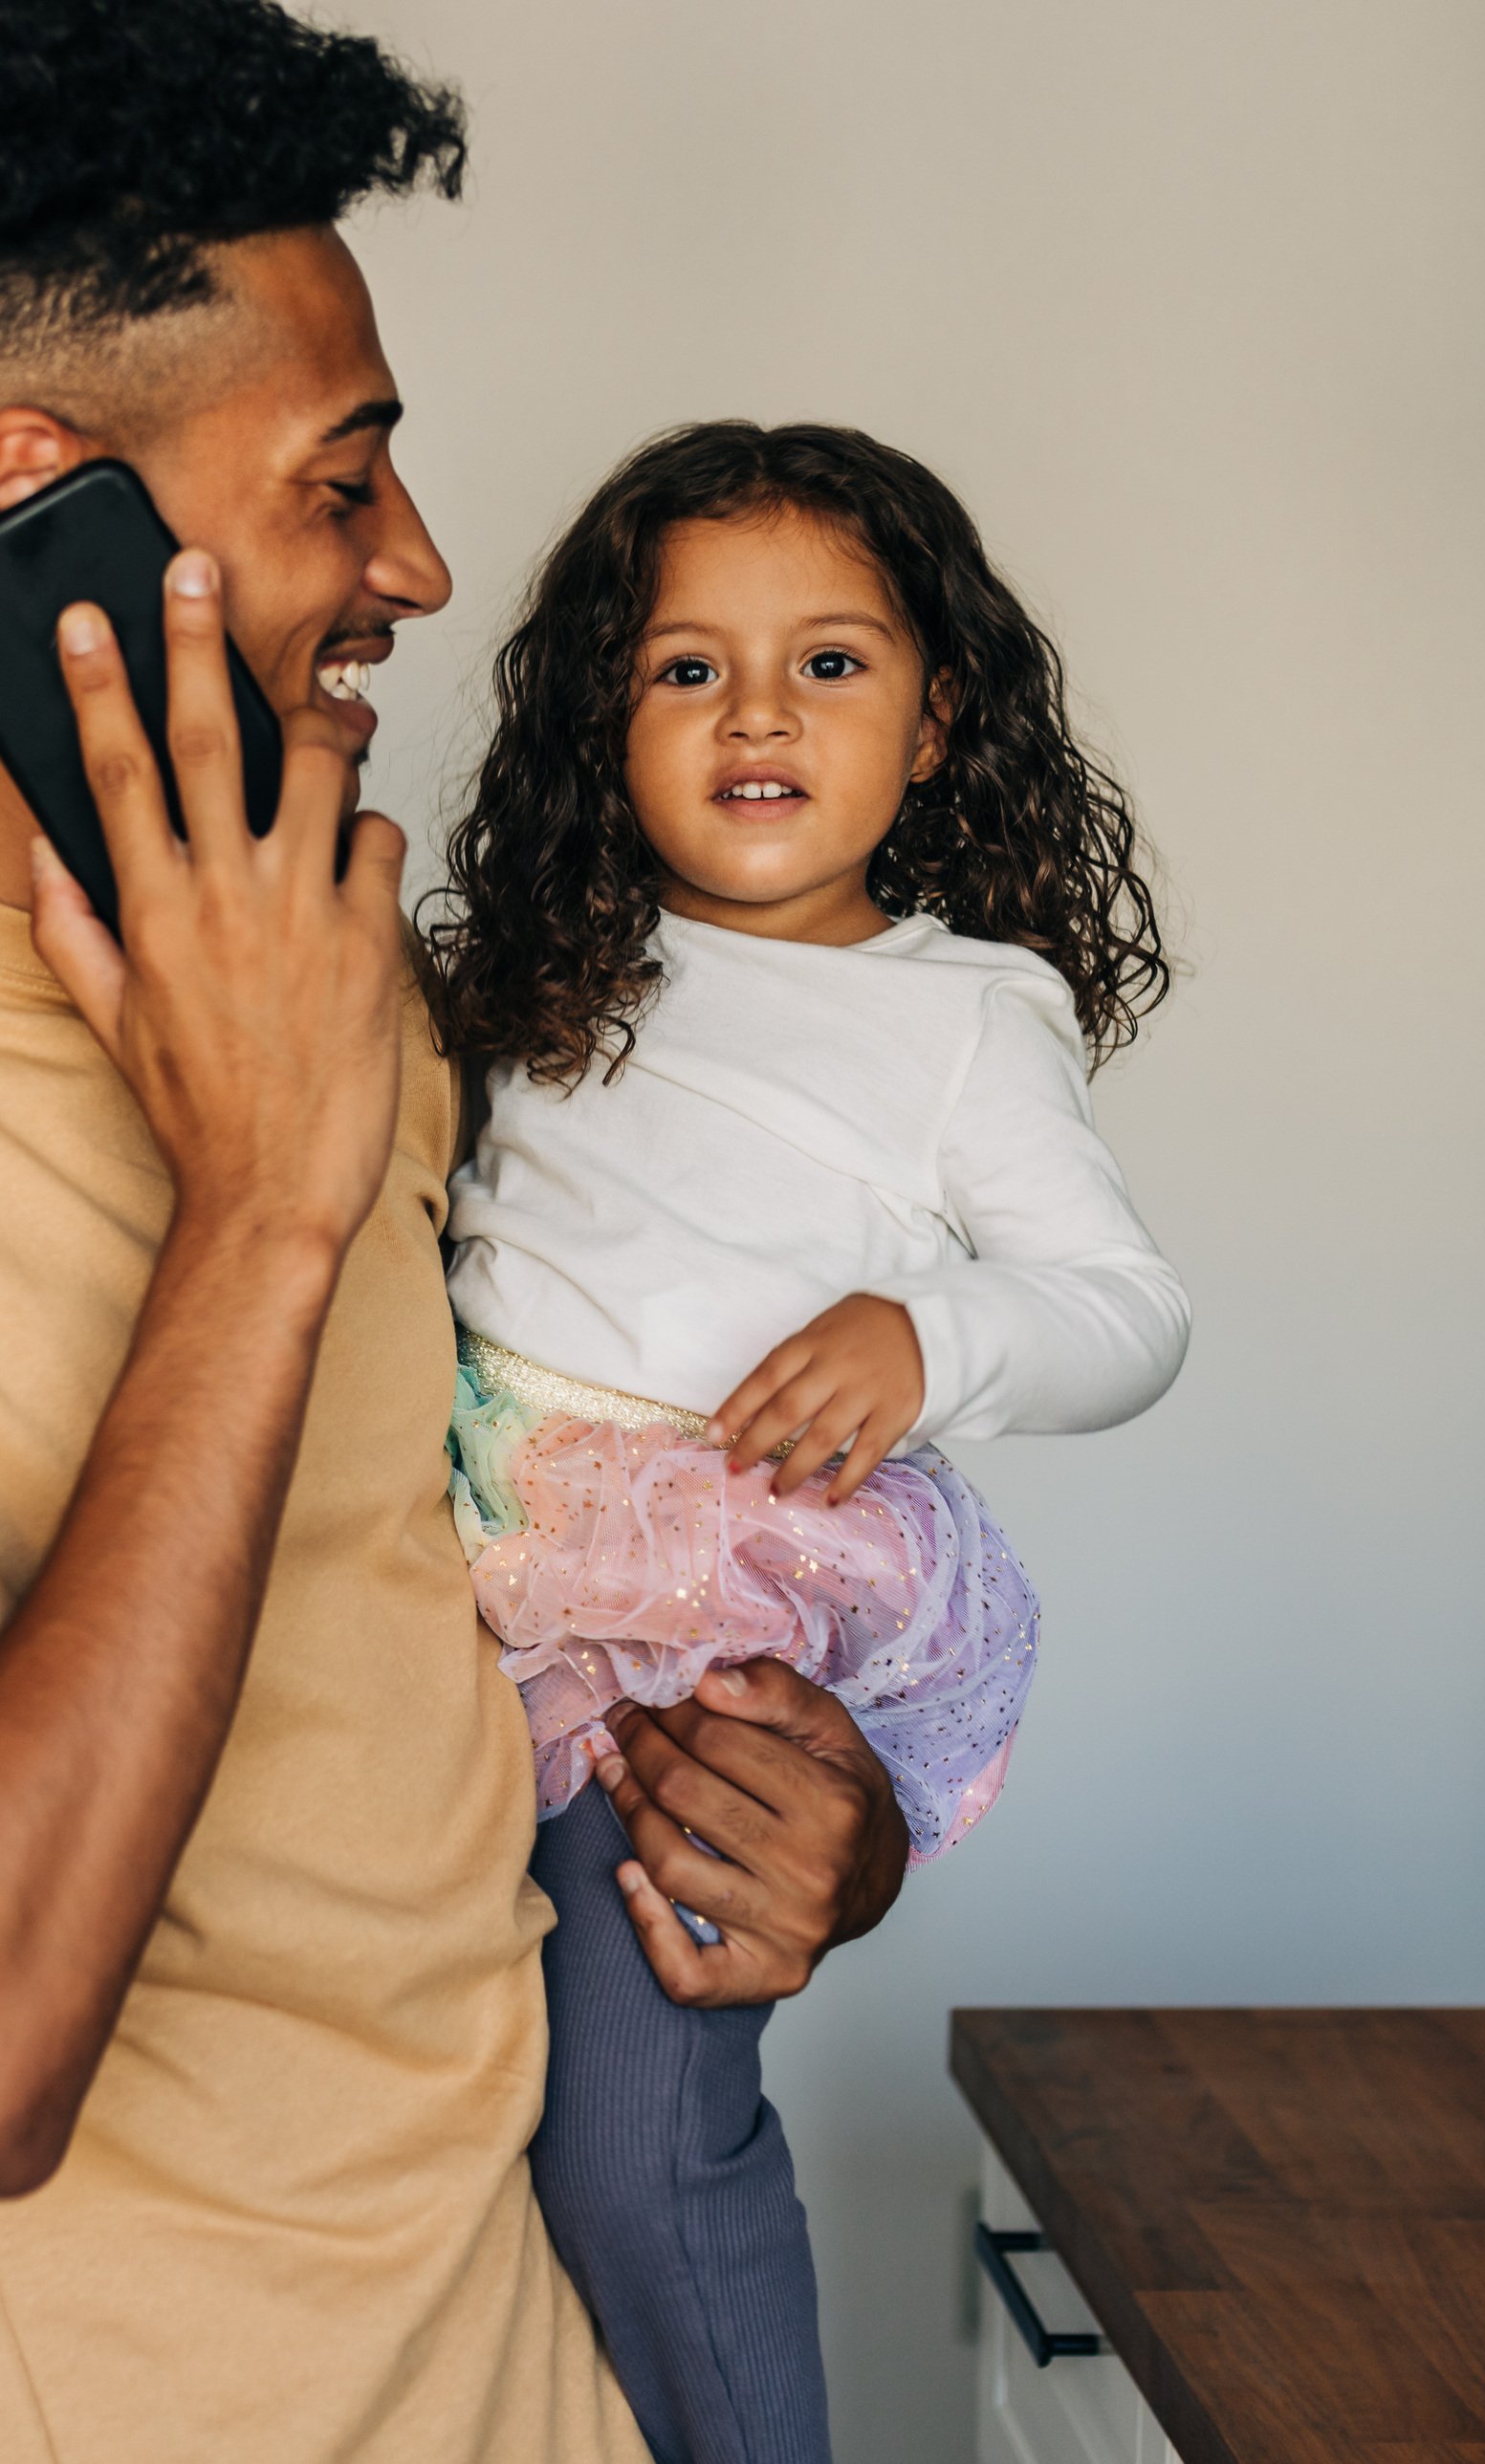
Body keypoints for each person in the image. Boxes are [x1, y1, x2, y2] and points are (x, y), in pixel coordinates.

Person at [0, 8, 910, 2459]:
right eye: (345, 481)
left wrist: (788, 1822)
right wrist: (261, 1212)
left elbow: (449, 1690)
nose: (417, 564)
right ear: (42, 508)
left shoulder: (360, 990)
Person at [423, 422, 1190, 2464]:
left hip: (692, 1611)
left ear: (939, 726)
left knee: (632, 2147)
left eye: (830, 662)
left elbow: (1128, 1312)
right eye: (687, 666)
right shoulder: (537, 977)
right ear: (608, 717)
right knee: (435, 2147)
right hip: (461, 1575)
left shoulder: (962, 1014)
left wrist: (926, 1333)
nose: (757, 709)